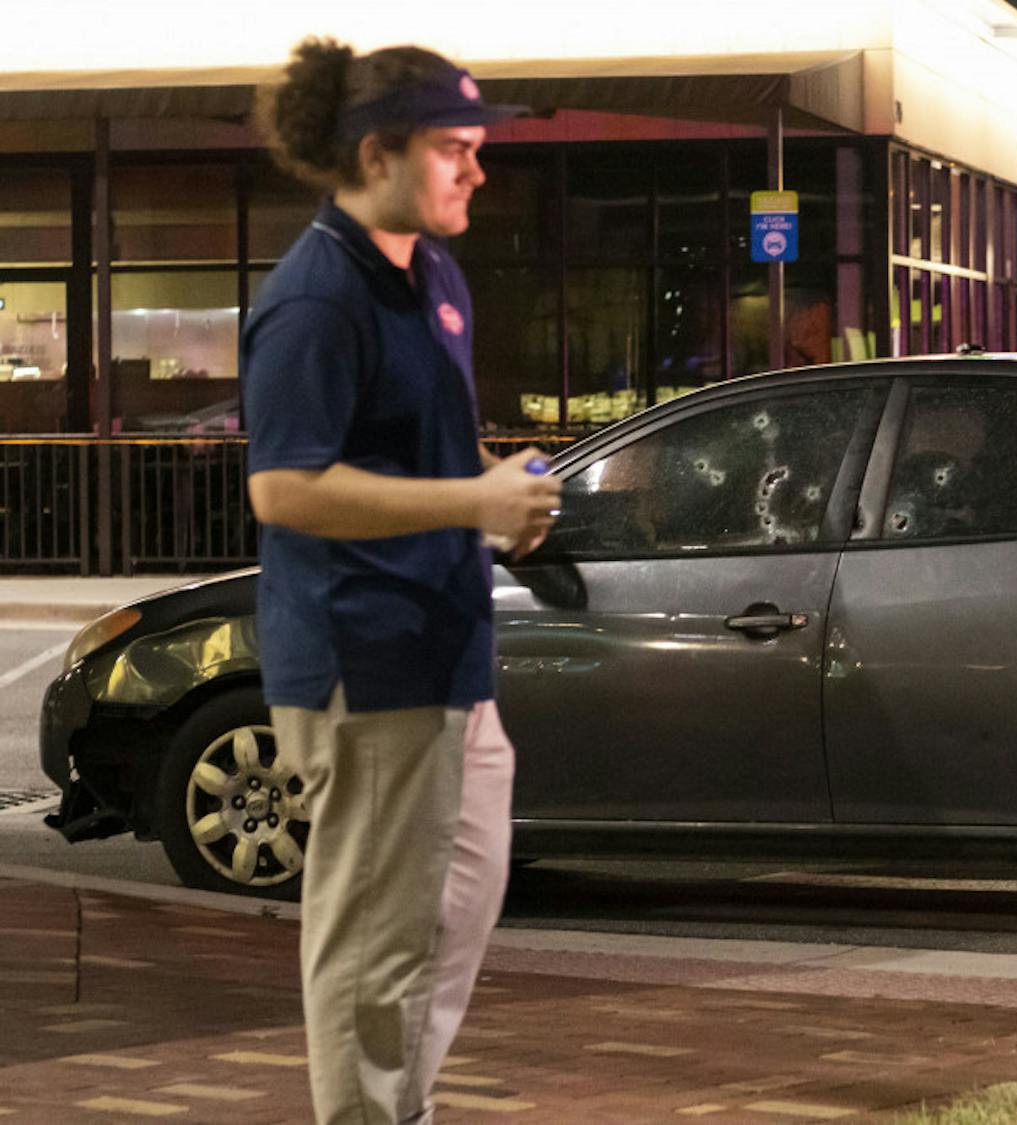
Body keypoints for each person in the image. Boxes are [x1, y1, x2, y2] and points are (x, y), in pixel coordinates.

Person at [242, 38, 561, 1125]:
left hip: (442, 655)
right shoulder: (314, 299)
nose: (478, 171)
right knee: (374, 952)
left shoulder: (430, 272)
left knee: (443, 928)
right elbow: (284, 490)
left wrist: (496, 490)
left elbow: (420, 452)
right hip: (364, 666)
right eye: (456, 150)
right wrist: (471, 505)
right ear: (378, 151)